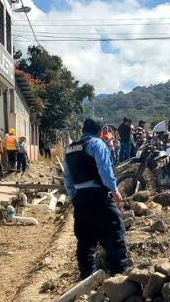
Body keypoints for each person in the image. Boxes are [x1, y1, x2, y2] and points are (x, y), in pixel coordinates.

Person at [63, 117, 129, 280]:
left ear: (83, 130)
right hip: (98, 195)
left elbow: (67, 177)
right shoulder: (97, 144)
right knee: (114, 232)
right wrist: (114, 189)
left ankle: (87, 278)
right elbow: (105, 169)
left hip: (80, 198)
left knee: (85, 239)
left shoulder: (70, 148)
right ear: (100, 132)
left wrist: (73, 196)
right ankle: (120, 275)